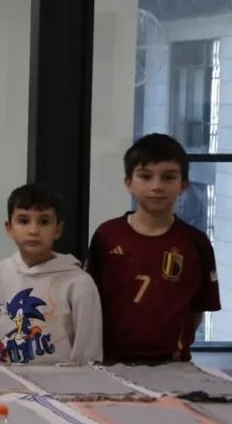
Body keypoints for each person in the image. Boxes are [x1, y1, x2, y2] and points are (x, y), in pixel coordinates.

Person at [87, 133, 219, 363]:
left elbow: (198, 308)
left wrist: (176, 344)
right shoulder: (106, 236)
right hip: (110, 360)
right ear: (128, 183)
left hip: (172, 363)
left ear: (184, 184)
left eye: (168, 177)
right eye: (145, 176)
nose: (156, 186)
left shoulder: (196, 242)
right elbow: (88, 300)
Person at [0, 183, 102, 364]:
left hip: (62, 381)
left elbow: (88, 354)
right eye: (23, 221)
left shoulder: (79, 282)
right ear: (9, 228)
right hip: (5, 379)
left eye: (44, 222)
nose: (33, 231)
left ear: (58, 229)